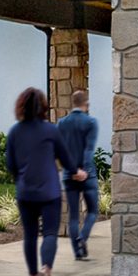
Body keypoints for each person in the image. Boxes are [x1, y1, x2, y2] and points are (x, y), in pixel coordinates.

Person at [2, 86, 75, 276]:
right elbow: (66, 158)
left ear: (21, 106)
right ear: (43, 106)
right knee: (50, 233)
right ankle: (47, 268)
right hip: (50, 191)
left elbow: (10, 164)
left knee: (30, 235)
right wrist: (76, 171)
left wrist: (21, 179)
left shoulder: (15, 132)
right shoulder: (51, 130)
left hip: (26, 192)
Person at [52, 88, 100, 260]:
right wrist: (84, 171)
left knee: (73, 216)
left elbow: (58, 151)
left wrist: (72, 170)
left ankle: (77, 252)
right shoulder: (91, 122)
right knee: (93, 210)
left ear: (73, 104)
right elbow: (89, 149)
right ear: (86, 104)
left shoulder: (61, 123)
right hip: (88, 176)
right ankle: (82, 237)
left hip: (69, 175)